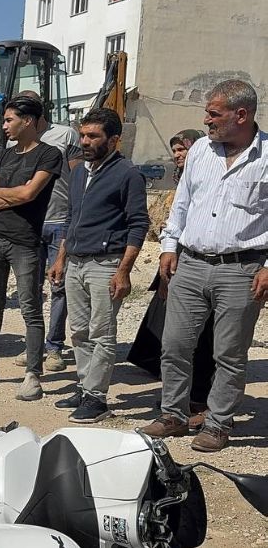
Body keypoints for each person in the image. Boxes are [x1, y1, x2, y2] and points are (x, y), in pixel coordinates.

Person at [140, 79, 268, 453]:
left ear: (240, 114)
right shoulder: (199, 152)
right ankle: (174, 414)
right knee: (175, 344)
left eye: (214, 113)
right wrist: (168, 245)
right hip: (191, 264)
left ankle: (218, 423)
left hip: (241, 269)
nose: (206, 120)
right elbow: (182, 203)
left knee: (228, 353)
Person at [46, 108, 149, 423]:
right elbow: (71, 218)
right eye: (83, 135)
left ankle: (97, 398)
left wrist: (124, 270)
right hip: (76, 261)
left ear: (114, 140)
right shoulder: (79, 172)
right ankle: (84, 385)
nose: (85, 141)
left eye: (93, 136)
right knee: (78, 330)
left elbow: (138, 224)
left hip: (106, 264)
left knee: (102, 332)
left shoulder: (127, 174)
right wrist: (61, 258)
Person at [0, 96, 62, 401]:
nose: (4, 126)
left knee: (30, 309)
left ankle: (33, 375)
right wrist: (10, 194)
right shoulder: (0, 156)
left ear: (28, 120)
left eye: (9, 120)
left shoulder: (48, 155)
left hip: (26, 242)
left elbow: (31, 193)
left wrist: (1, 193)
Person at [127, 129, 215, 431]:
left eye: (183, 149)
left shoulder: (208, 178)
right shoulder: (179, 183)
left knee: (203, 340)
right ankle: (175, 402)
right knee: (173, 338)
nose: (178, 155)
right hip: (175, 261)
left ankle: (199, 401)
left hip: (198, 265)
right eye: (175, 150)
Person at [15, 90, 84, 372]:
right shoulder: (17, 138)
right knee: (30, 288)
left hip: (58, 221)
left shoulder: (65, 135)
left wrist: (75, 216)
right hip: (29, 223)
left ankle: (54, 347)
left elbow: (78, 177)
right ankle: (33, 344)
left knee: (59, 287)